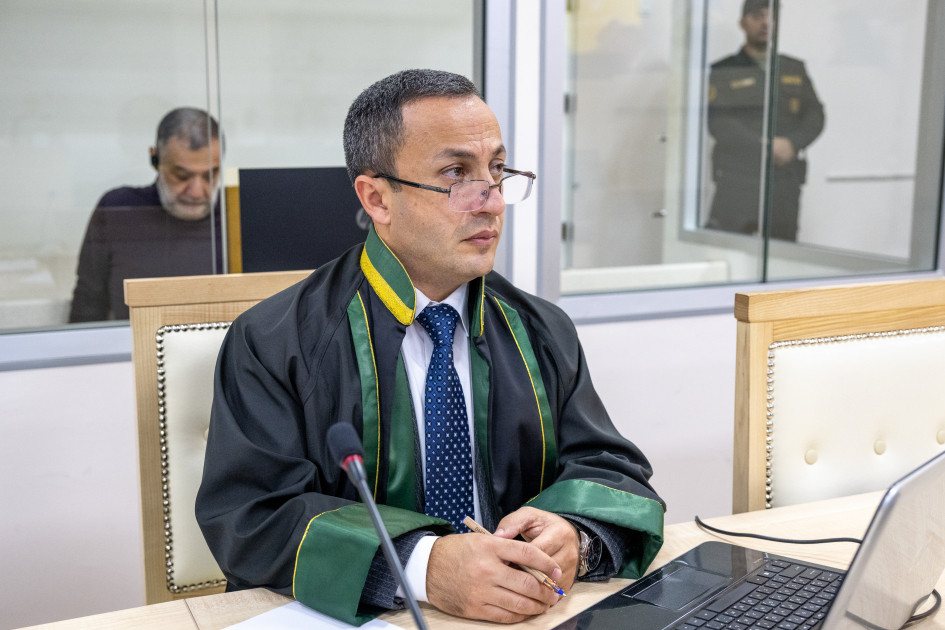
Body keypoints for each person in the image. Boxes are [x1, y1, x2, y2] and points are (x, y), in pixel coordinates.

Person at [195, 69, 665, 625]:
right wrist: (422, 566)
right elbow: (253, 516)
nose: (492, 202)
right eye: (456, 174)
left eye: (497, 171)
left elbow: (610, 468)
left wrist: (574, 533)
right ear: (377, 198)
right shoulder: (275, 340)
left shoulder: (541, 329)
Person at [68, 107, 223, 322]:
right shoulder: (118, 211)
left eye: (210, 175)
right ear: (155, 159)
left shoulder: (236, 215)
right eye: (182, 175)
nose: (197, 192)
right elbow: (88, 306)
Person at [706, 0, 825, 241]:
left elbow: (815, 115)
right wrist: (762, 145)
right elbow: (719, 122)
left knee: (783, 250)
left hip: (783, 180)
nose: (765, 23)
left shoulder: (793, 68)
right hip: (737, 179)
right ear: (742, 23)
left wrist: (792, 143)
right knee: (727, 248)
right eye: (757, 16)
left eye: (771, 16)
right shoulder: (724, 70)